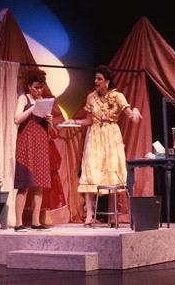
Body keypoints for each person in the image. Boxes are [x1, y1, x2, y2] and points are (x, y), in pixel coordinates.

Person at [64, 65, 142, 227]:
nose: (96, 81)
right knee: (91, 171)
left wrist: (135, 111)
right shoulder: (91, 97)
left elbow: (131, 118)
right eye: (95, 78)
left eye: (99, 79)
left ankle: (113, 216)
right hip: (94, 136)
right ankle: (89, 215)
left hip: (111, 136)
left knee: (112, 171)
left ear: (107, 81)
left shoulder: (118, 96)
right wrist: (74, 121)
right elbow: (88, 120)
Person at [13, 69, 54, 232]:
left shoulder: (44, 101)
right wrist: (33, 107)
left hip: (41, 145)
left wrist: (50, 121)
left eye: (41, 88)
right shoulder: (24, 98)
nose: (39, 91)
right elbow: (16, 119)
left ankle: (36, 222)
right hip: (26, 145)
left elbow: (51, 132)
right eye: (36, 87)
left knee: (39, 185)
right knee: (24, 184)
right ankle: (18, 223)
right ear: (29, 86)